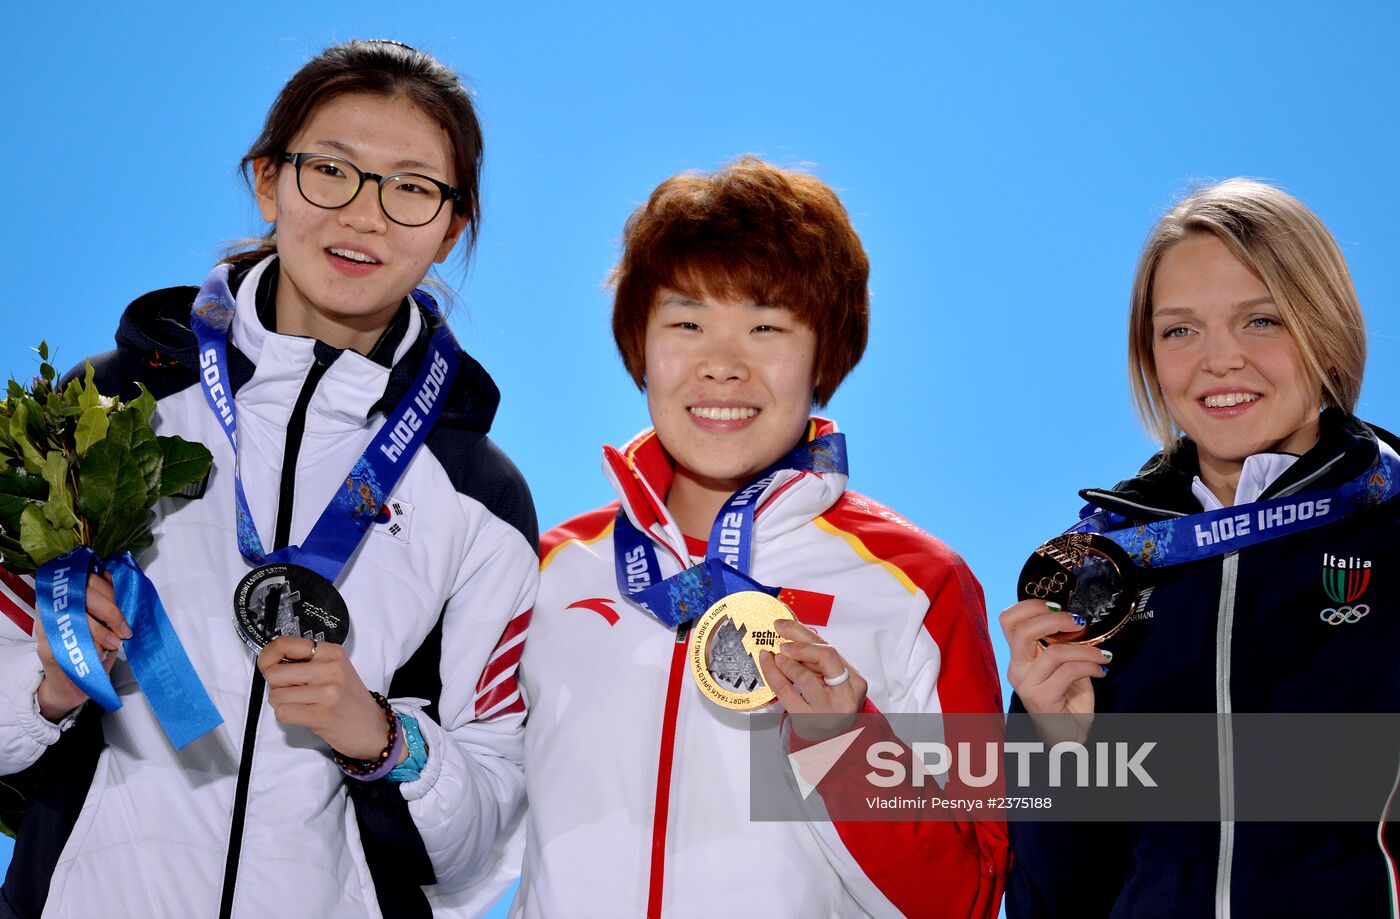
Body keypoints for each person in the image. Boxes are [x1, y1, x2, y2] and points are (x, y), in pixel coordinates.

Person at [0, 40, 537, 918]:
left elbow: (487, 838)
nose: (364, 215)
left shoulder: (478, 496)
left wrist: (387, 744)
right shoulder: (101, 411)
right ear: (267, 180)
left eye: (410, 187)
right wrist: (49, 685)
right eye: (331, 169)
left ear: (451, 227)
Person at [513, 157, 1008, 917]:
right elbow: (464, 836)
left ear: (825, 355)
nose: (721, 365)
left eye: (766, 326)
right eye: (686, 322)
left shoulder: (919, 583)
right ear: (639, 347)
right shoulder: (548, 570)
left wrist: (843, 743)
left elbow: (966, 896)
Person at [1000, 179, 1399, 917]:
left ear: (1327, 328)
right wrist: (1057, 749)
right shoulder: (1101, 567)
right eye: (1180, 329)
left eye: (1261, 320)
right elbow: (1050, 897)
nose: (1219, 360)